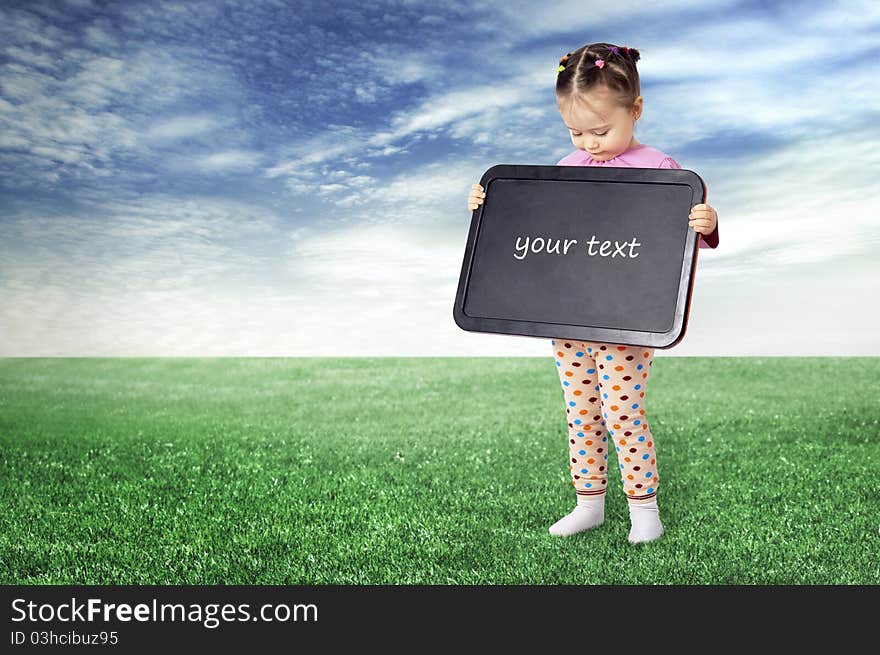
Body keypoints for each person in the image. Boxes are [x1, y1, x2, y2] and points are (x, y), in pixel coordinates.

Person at [465, 42, 720, 544]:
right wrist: (489, 205)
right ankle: (589, 503)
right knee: (580, 409)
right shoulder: (566, 166)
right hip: (569, 315)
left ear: (636, 110)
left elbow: (678, 244)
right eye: (576, 131)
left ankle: (644, 508)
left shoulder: (660, 170)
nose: (590, 142)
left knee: (621, 411)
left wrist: (707, 225)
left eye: (600, 131)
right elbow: (537, 234)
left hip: (625, 318)